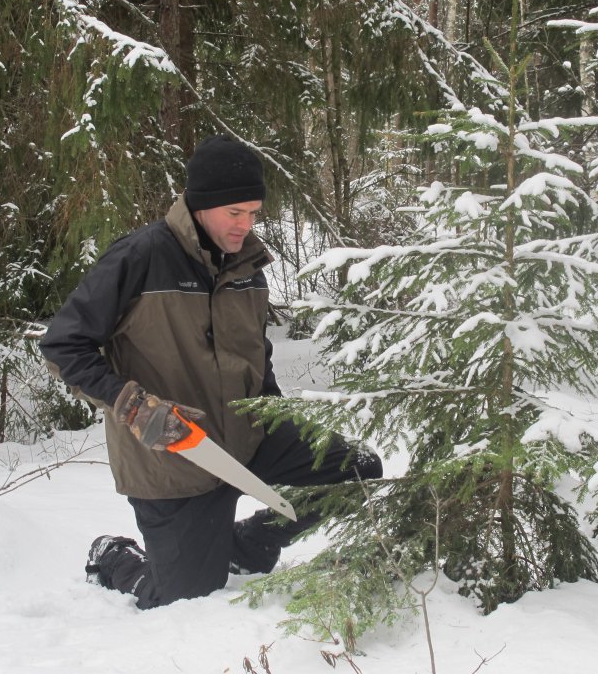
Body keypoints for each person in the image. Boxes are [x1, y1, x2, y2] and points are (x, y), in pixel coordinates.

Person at [39, 134, 381, 609]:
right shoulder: (141, 257)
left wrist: (274, 412)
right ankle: (117, 558)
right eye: (234, 213)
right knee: (182, 597)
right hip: (175, 458)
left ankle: (250, 543)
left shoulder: (247, 266)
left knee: (358, 469)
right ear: (200, 205)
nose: (246, 225)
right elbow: (63, 345)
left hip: (248, 435)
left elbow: (255, 353)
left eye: (253, 213)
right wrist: (132, 405)